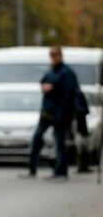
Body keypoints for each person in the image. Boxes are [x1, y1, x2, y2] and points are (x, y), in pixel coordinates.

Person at [22, 46, 81, 181]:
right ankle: (32, 168)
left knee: (60, 142)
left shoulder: (66, 72)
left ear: (60, 56)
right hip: (47, 111)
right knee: (37, 137)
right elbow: (44, 81)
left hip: (60, 112)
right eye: (51, 56)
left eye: (55, 56)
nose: (53, 59)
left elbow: (70, 93)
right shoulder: (51, 71)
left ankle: (61, 171)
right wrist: (45, 86)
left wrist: (53, 87)